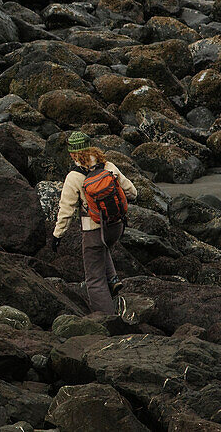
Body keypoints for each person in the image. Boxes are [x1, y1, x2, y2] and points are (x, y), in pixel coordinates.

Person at [49, 131, 137, 315]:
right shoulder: (108, 166)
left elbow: (66, 210)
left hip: (94, 230)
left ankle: (107, 318)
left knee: (94, 280)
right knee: (103, 249)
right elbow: (132, 193)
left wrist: (58, 235)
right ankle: (113, 280)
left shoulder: (74, 177)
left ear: (73, 154)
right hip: (116, 227)